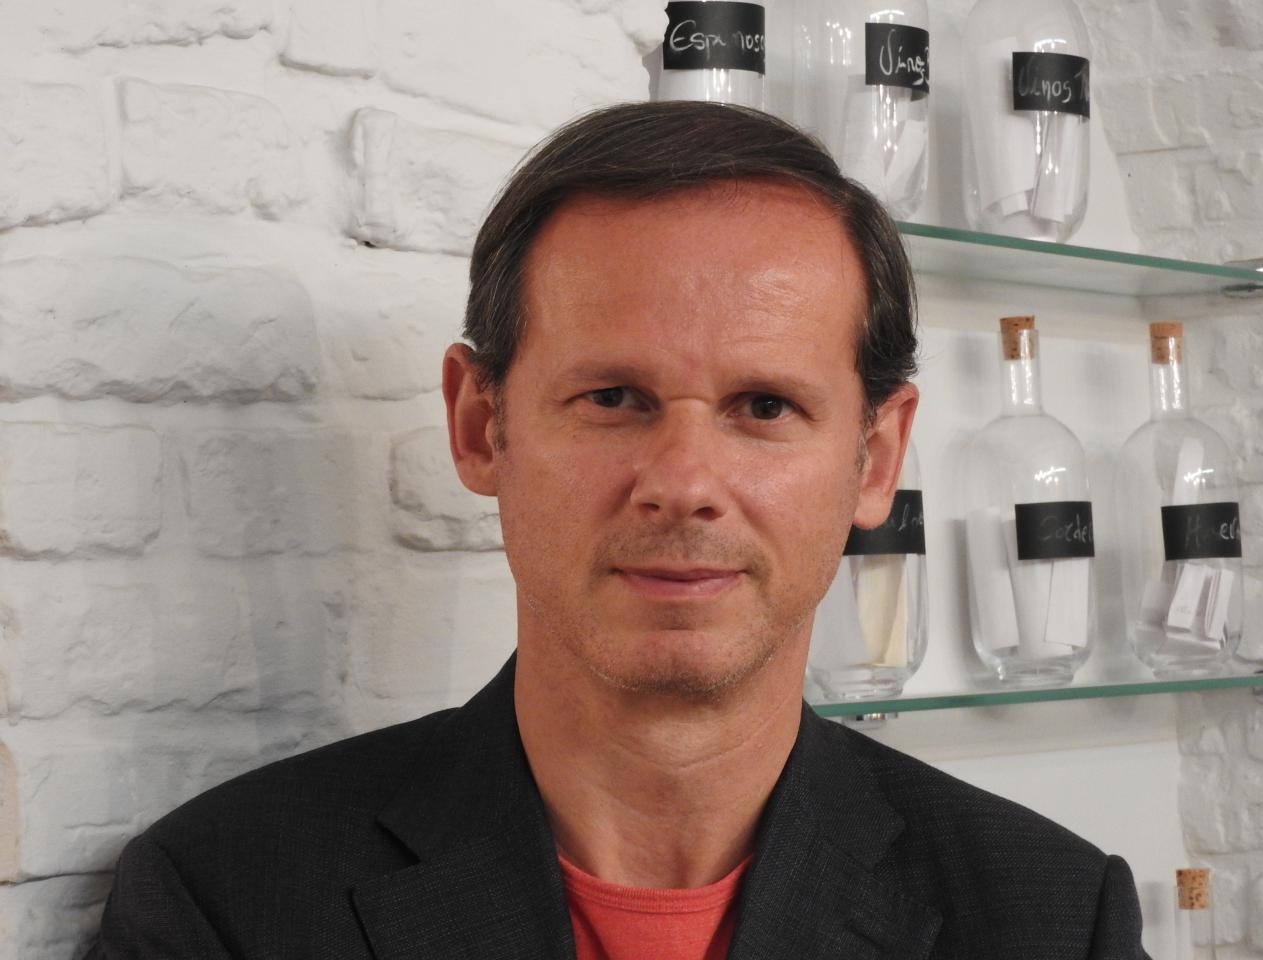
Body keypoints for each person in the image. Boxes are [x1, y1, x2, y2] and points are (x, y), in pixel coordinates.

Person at [88, 101, 1148, 960]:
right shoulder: (227, 903)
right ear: (480, 426)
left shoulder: (1053, 920)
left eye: (764, 406)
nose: (682, 485)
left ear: (873, 460)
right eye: (611, 398)